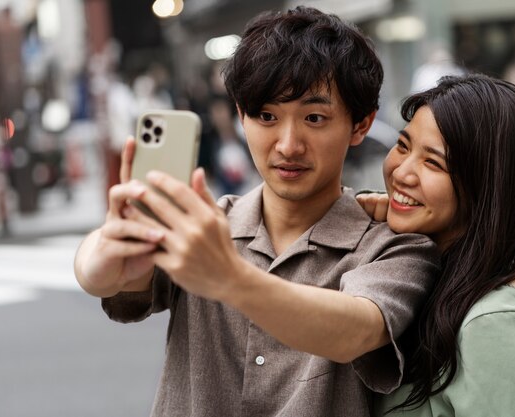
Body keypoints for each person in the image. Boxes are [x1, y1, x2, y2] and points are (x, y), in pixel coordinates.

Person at [73, 7, 439, 417]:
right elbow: (109, 279)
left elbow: (358, 329)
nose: (287, 145)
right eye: (266, 116)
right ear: (240, 115)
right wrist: (105, 253)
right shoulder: (207, 225)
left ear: (361, 124)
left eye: (314, 118)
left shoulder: (393, 245)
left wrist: (230, 278)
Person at [357, 74, 515, 416]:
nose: (402, 172)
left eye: (433, 162)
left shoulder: (495, 322)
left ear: (486, 185)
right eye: (403, 146)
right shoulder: (434, 274)